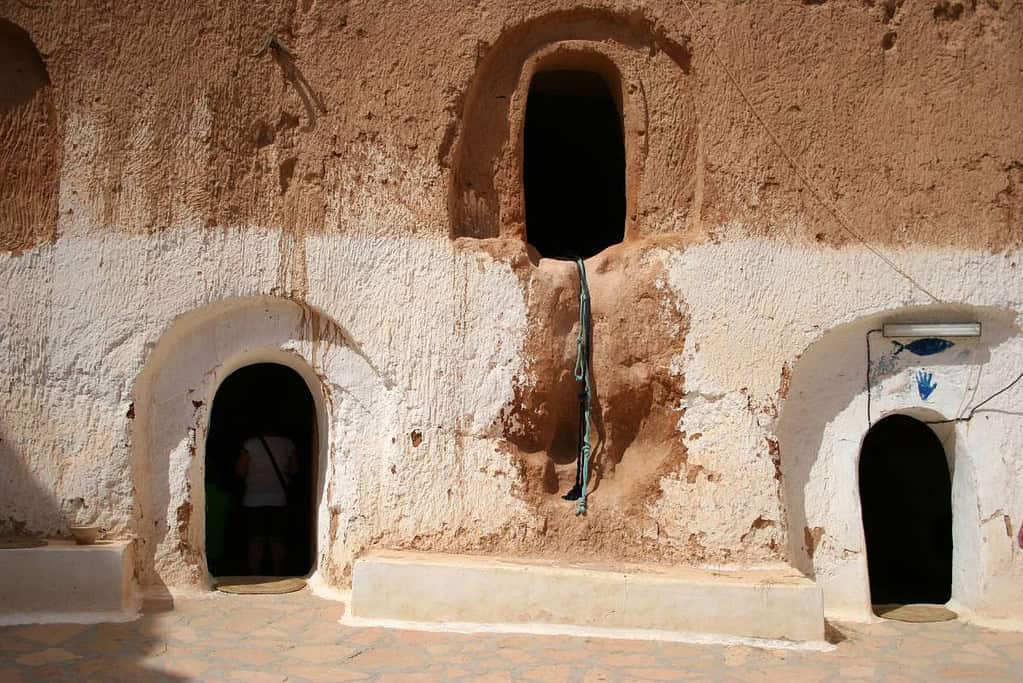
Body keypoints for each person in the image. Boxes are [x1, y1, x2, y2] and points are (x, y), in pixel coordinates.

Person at [235, 426, 298, 575]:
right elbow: (294, 470)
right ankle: (279, 576)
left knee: (255, 542)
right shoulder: (288, 444)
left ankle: (255, 578)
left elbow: (240, 471)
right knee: (278, 541)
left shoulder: (250, 444)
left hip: (253, 500)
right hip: (279, 500)